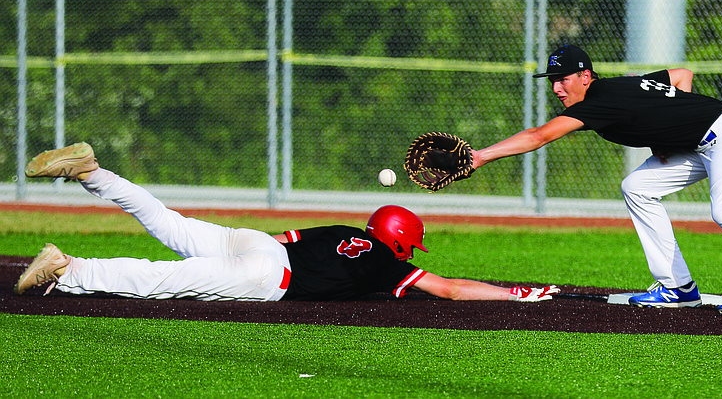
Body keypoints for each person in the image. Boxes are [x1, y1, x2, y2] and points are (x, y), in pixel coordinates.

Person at [15, 142, 560, 304]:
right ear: (402, 242)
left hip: (255, 243)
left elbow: (281, 237)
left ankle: (93, 173)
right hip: (265, 279)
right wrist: (513, 294)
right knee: (165, 281)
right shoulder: (388, 263)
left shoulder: (345, 231)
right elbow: (448, 288)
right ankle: (68, 270)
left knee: (167, 221)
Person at [469, 44, 722, 317]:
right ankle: (678, 287)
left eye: (563, 79)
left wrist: (481, 156)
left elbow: (539, 136)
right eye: (553, 80)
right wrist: (674, 128)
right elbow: (681, 75)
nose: (556, 88)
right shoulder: (620, 87)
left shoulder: (600, 101)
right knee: (638, 188)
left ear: (585, 77)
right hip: (702, 142)